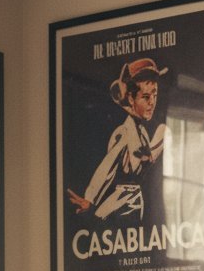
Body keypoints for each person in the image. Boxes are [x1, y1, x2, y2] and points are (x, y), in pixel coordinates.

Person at [67, 58, 168, 224]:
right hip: (121, 202)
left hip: (134, 199)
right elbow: (108, 166)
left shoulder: (141, 131)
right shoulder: (124, 132)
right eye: (145, 97)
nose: (152, 103)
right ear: (130, 99)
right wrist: (90, 199)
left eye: (154, 95)